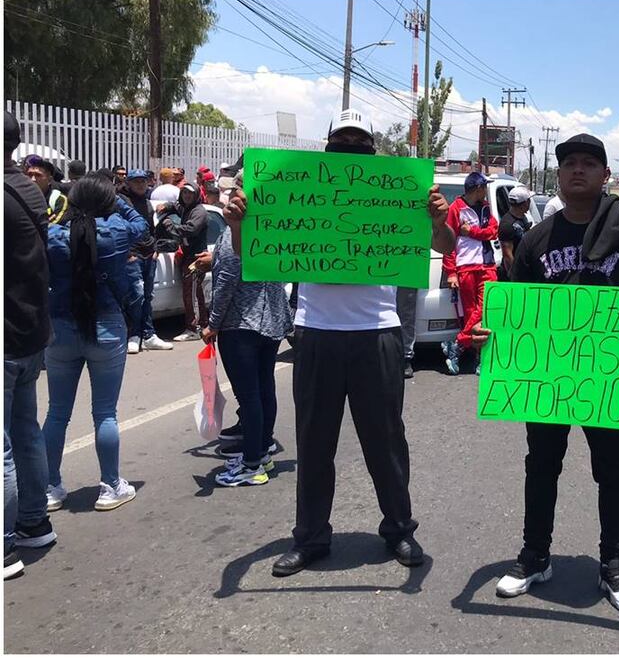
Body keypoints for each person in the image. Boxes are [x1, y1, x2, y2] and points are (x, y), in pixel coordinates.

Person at [222, 108, 455, 576]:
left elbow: (447, 246)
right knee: (313, 442)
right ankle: (310, 538)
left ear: (373, 151)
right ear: (328, 147)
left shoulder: (400, 194)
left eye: (359, 141)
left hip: (378, 334)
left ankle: (399, 530)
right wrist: (236, 223)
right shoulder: (298, 193)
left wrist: (436, 218)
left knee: (386, 441)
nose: (351, 147)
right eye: (342, 140)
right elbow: (255, 254)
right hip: (316, 334)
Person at [469, 134, 619, 614]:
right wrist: (489, 333)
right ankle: (534, 555)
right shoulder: (537, 240)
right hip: (547, 379)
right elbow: (511, 306)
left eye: (589, 164)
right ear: (559, 176)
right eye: (569, 164)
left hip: (608, 381)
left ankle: (614, 563)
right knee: (541, 463)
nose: (577, 171)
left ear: (605, 175)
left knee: (612, 468)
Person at [42, 174, 149, 513]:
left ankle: (50, 487)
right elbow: (142, 225)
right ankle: (110, 486)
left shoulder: (53, 235)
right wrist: (114, 200)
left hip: (60, 328)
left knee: (57, 413)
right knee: (104, 413)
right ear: (107, 202)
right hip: (106, 327)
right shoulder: (118, 230)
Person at [202, 168, 292, 487]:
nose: (229, 195)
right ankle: (262, 449)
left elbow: (226, 282)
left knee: (250, 396)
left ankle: (252, 463)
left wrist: (212, 324)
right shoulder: (275, 228)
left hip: (240, 325)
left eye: (235, 190)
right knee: (264, 390)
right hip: (270, 325)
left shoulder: (236, 231)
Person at [4, 111, 58, 580]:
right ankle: (34, 521)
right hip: (29, 330)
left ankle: (3, 546)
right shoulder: (26, 188)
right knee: (24, 430)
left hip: (8, 334)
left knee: (6, 442)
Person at [440, 172, 499, 375]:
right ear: (478, 188)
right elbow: (448, 243)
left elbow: (493, 231)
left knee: (485, 309)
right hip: (465, 266)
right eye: (484, 187)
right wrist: (451, 272)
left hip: (487, 265)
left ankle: (457, 343)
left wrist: (472, 232)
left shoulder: (485, 208)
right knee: (471, 312)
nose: (486, 191)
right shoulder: (455, 208)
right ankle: (478, 357)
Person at [118, 169, 173, 354]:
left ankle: (148, 335)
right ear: (128, 183)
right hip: (133, 256)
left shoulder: (148, 203)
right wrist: (127, 253)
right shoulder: (122, 202)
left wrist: (156, 248)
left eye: (143, 181)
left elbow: (151, 229)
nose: (141, 184)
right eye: (136, 181)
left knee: (147, 296)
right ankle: (134, 334)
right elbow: (119, 230)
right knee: (136, 295)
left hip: (149, 255)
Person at [161, 184, 209, 342]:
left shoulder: (198, 211)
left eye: (190, 193)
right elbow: (176, 206)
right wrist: (165, 206)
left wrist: (170, 226)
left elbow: (191, 229)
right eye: (184, 193)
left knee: (193, 293)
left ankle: (194, 328)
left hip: (196, 258)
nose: (187, 196)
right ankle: (199, 324)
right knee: (193, 292)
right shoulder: (186, 208)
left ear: (196, 195)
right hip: (188, 256)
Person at [497, 185, 533, 281]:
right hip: (512, 276)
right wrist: (515, 276)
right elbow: (507, 255)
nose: (530, 203)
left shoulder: (523, 218)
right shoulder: (507, 224)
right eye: (529, 200)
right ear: (525, 203)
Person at [24, 155, 69, 224]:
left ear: (49, 180)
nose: (33, 179)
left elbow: (54, 228)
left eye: (38, 175)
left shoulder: (58, 200)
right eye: (30, 174)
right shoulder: (20, 197)